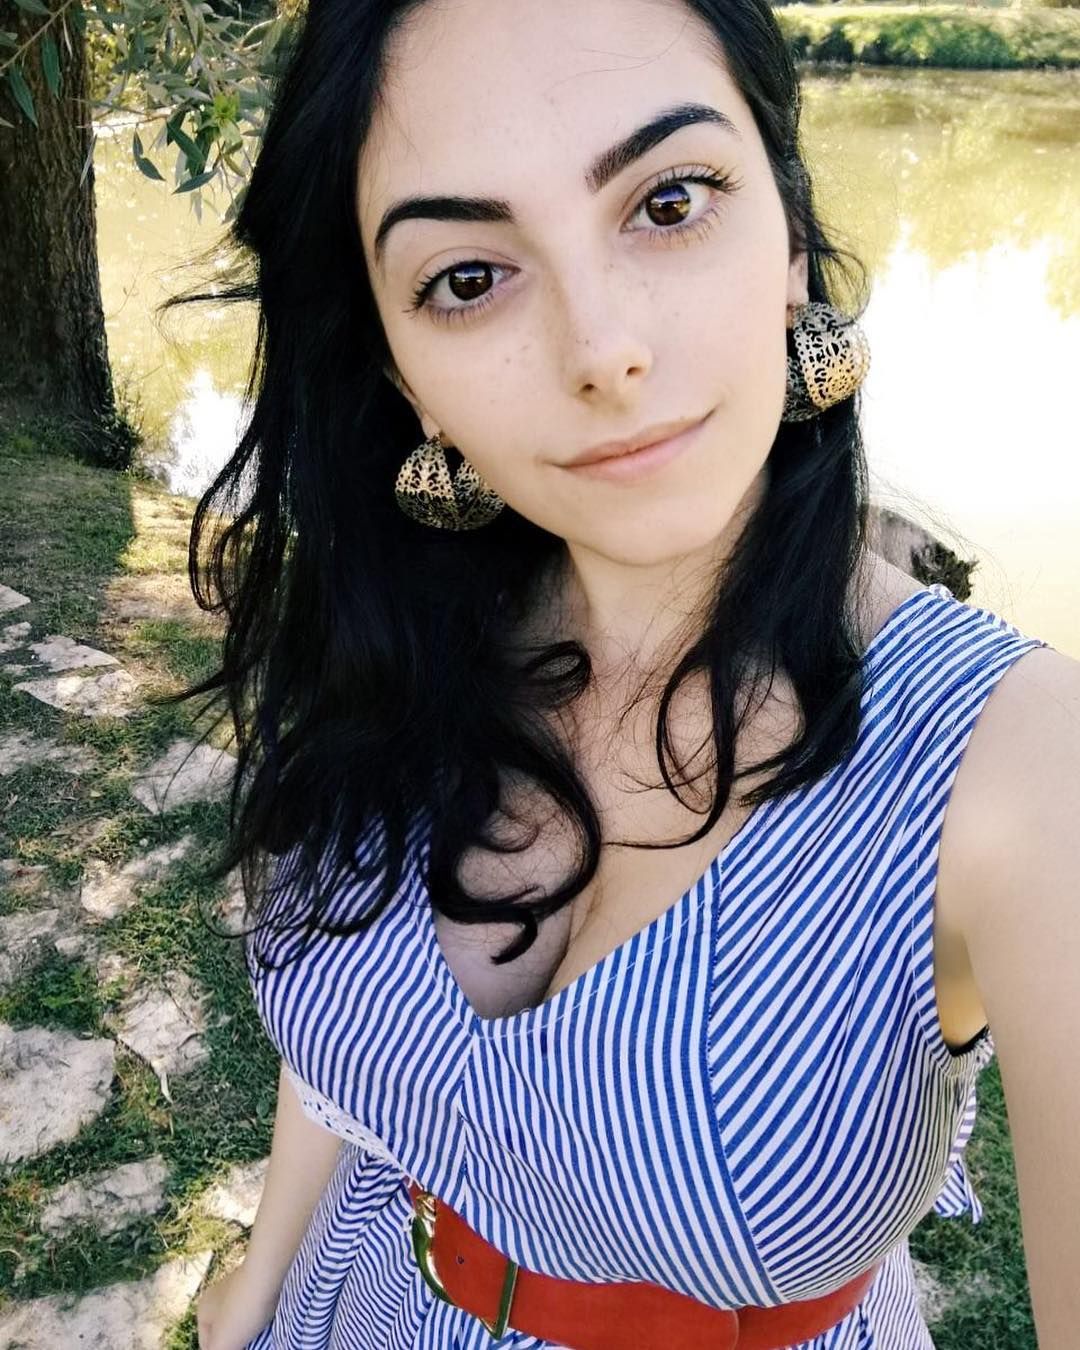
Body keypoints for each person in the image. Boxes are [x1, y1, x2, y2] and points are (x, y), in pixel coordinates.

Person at [186, 0, 1080, 1347]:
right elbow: (352, 1037)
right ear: (402, 367)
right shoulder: (399, 637)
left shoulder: (1022, 768)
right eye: (467, 278)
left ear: (789, 236)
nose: (603, 352)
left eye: (670, 201)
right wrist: (262, 1275)